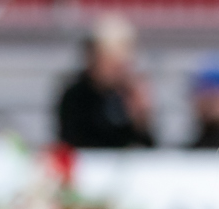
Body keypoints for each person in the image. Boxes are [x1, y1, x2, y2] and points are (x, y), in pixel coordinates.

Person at [55, 14, 155, 149]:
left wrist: (141, 120)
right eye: (111, 62)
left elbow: (148, 147)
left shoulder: (127, 94)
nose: (117, 70)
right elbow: (73, 141)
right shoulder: (75, 96)